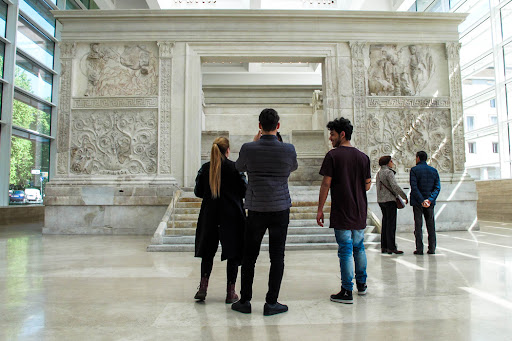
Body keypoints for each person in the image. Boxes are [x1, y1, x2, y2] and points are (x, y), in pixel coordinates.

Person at [231, 108, 298, 316]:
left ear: (259, 126)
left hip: (257, 208)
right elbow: (292, 168)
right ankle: (271, 303)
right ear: (278, 126)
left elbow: (238, 167)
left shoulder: (248, 148)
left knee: (249, 257)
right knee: (277, 256)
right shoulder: (288, 149)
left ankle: (245, 301)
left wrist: (254, 142)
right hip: (280, 208)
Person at [316, 117, 371, 304]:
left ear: (342, 134)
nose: (330, 139)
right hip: (359, 210)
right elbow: (367, 186)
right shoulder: (363, 157)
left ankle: (347, 290)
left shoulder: (333, 156)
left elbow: (325, 184)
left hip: (342, 210)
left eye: (332, 134)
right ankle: (362, 285)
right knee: (359, 247)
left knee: (346, 250)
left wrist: (320, 209)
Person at [193, 137, 247, 304]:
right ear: (228, 150)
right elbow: (244, 190)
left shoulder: (205, 168)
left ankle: (203, 286)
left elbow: (198, 191)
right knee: (233, 253)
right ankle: (230, 292)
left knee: (208, 253)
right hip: (231, 215)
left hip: (210, 214)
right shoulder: (235, 168)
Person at [410, 151, 441, 255]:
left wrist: (421, 200)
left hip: (418, 202)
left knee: (418, 226)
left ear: (418, 158)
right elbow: (437, 188)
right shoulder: (433, 171)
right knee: (431, 226)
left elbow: (414, 187)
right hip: (429, 203)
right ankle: (432, 248)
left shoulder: (414, 170)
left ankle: (419, 249)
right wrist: (429, 199)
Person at [376, 155, 408, 255]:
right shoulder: (388, 172)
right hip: (390, 200)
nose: (392, 163)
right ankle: (391, 247)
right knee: (391, 224)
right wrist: (404, 196)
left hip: (381, 200)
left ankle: (384, 246)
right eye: (391, 161)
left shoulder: (379, 173)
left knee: (385, 223)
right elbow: (394, 186)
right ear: (388, 162)